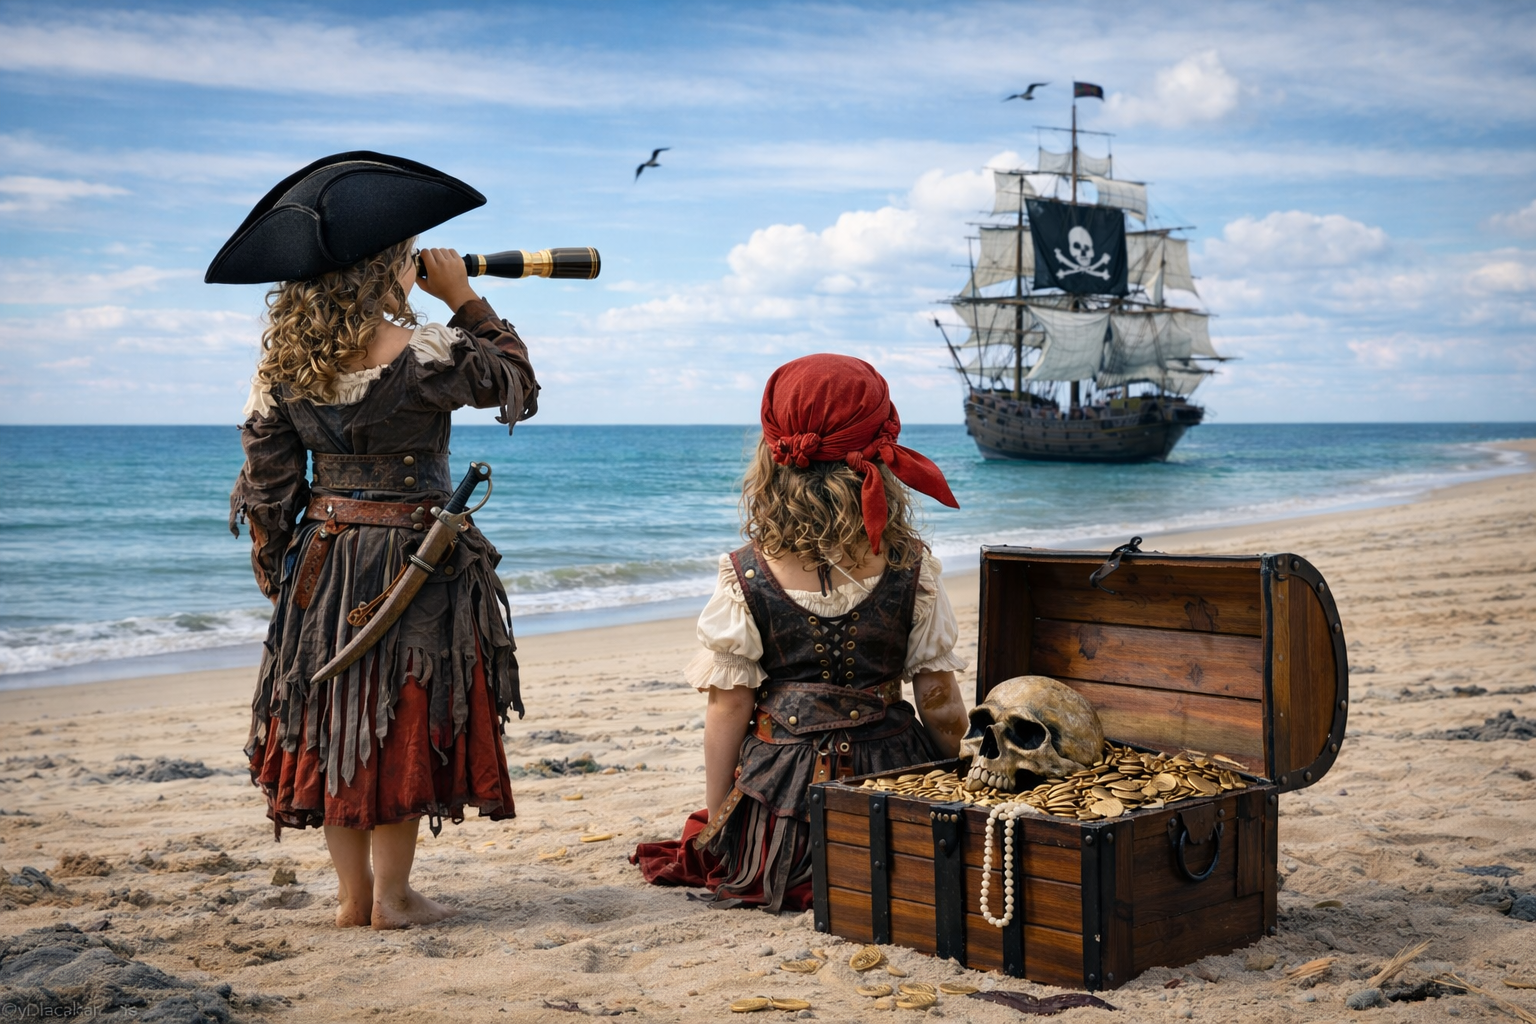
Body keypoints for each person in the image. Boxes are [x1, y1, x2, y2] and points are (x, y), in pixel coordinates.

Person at [213, 153, 538, 929]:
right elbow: (517, 385)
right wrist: (462, 297)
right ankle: (393, 898)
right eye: (405, 256)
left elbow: (268, 488)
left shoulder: (281, 369)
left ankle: (353, 899)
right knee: (400, 713)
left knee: (336, 715)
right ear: (387, 269)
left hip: (324, 562)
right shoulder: (426, 350)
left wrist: (279, 573)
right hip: (415, 559)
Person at [633, 354, 969, 912]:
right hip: (889, 783)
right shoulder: (914, 567)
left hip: (780, 805)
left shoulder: (744, 573)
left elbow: (729, 705)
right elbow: (938, 702)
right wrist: (960, 783)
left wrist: (719, 822)